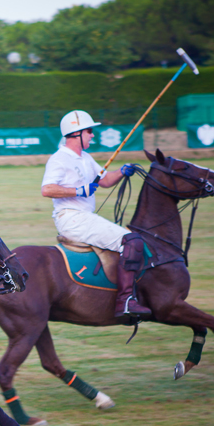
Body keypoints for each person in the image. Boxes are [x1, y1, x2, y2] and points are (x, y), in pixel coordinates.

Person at [41, 110, 150, 320]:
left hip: (84, 216)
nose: (93, 135)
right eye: (89, 131)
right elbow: (47, 189)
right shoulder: (59, 159)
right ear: (76, 133)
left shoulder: (86, 158)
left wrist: (123, 171)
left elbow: (105, 180)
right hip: (71, 218)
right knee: (132, 241)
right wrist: (79, 191)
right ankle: (125, 300)